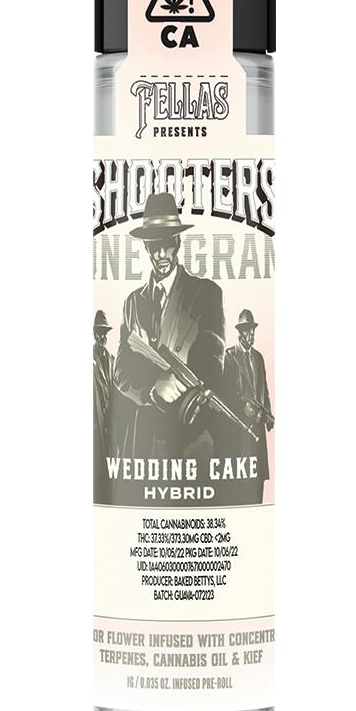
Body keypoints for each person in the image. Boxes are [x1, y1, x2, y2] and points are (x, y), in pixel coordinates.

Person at [113, 192, 224, 461]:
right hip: (143, 443)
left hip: (189, 439)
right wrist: (151, 392)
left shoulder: (206, 293)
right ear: (146, 246)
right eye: (154, 245)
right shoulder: (132, 302)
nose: (161, 254)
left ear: (178, 241)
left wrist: (180, 387)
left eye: (167, 244)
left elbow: (212, 361)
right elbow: (121, 371)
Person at [223, 309, 273, 503]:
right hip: (241, 428)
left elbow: (264, 390)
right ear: (240, 332)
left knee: (257, 477)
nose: (252, 334)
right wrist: (242, 404)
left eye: (253, 330)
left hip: (259, 426)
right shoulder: (230, 356)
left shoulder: (258, 358)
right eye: (248, 331)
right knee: (242, 477)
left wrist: (268, 414)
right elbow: (226, 392)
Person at [92, 309, 113, 498]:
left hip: (109, 426)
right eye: (99, 333)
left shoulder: (112, 360)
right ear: (94, 334)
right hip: (95, 427)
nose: (102, 337)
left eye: (105, 333)